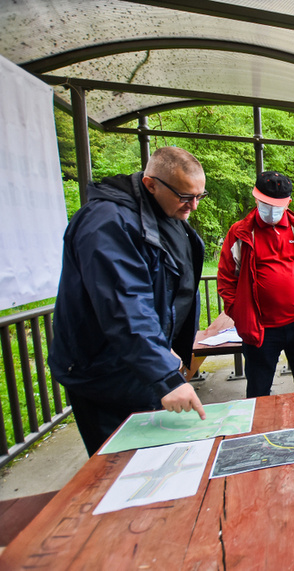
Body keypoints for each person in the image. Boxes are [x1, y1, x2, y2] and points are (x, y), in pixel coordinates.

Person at [49, 146, 208, 456]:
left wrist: (163, 352)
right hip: (105, 375)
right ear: (151, 184)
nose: (194, 206)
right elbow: (126, 306)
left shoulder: (163, 212)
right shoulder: (106, 222)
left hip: (140, 364)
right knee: (120, 468)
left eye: (200, 196)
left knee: (157, 460)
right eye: (185, 197)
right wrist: (165, 376)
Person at [217, 171, 294, 454]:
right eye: (264, 203)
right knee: (258, 385)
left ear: (288, 202)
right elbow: (226, 278)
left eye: (277, 204)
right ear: (255, 198)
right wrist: (239, 311)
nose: (270, 210)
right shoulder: (240, 232)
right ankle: (256, 436)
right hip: (261, 330)